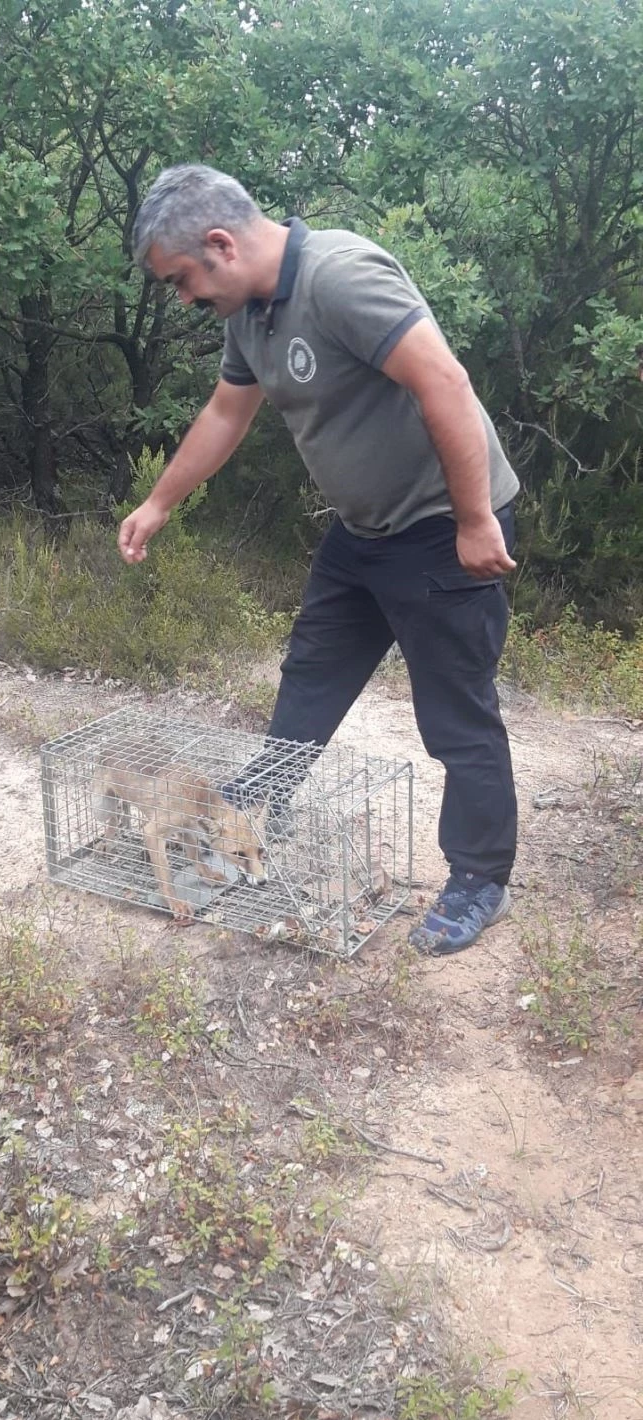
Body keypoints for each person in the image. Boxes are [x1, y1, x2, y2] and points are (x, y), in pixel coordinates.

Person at [118, 164, 520, 955]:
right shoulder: (251, 314)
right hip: (362, 530)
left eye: (181, 280)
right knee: (311, 671)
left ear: (221, 245)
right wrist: (158, 501)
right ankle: (256, 808)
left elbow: (444, 380)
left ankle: (480, 877)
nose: (183, 299)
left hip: (442, 525)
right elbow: (226, 412)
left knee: (455, 713)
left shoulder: (339, 275)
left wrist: (475, 519)